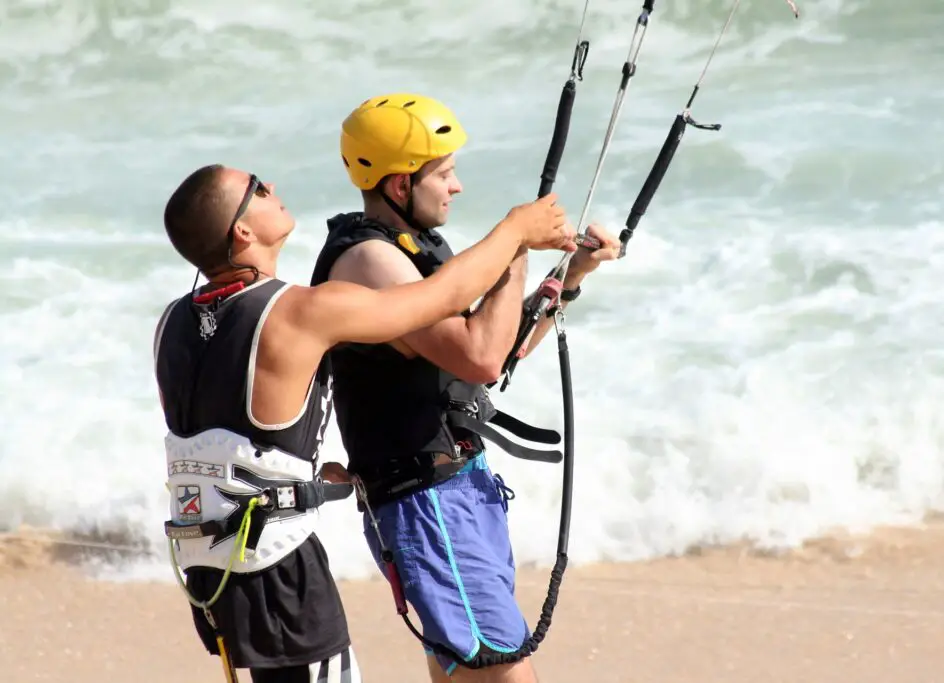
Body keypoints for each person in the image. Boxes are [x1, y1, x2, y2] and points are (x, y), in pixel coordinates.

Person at [153, 163, 576, 683]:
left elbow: (227, 437)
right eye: (258, 188)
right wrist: (515, 232)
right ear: (242, 231)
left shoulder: (171, 323)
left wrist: (303, 477)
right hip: (279, 568)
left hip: (209, 570)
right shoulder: (299, 311)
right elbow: (440, 299)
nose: (274, 188)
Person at [308, 93, 621, 682]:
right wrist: (516, 242)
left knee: (465, 671)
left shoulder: (415, 250)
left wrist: (570, 276)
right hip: (426, 503)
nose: (456, 187)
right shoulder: (369, 261)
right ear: (400, 186)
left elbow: (494, 349)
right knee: (503, 672)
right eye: (444, 174)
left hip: (460, 490)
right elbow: (479, 355)